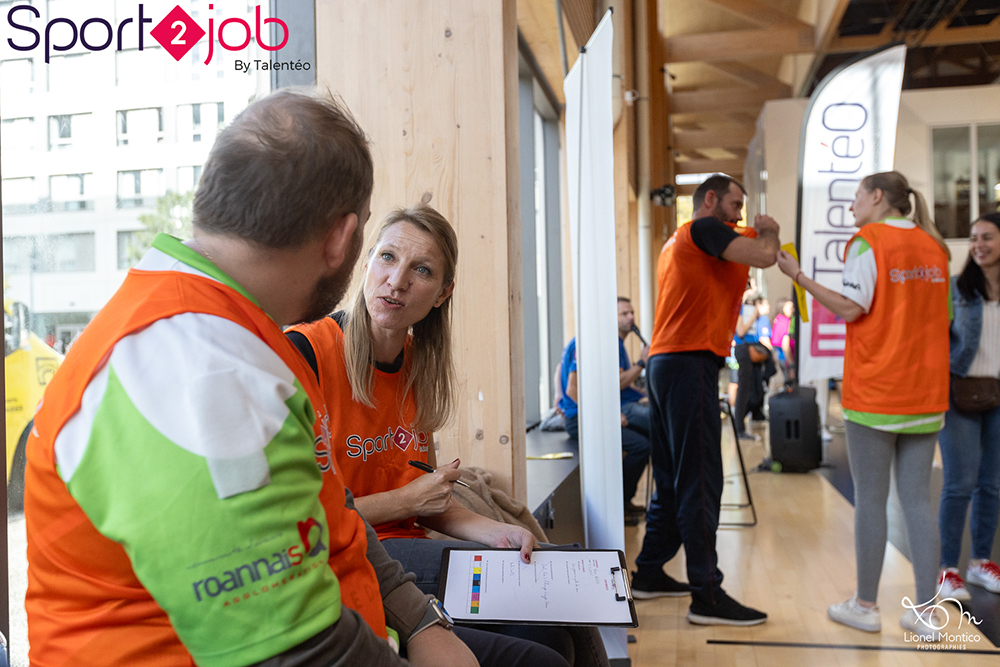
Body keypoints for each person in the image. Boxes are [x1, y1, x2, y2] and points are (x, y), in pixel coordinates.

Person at [24, 89, 479, 667]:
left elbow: (333, 509)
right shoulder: (207, 368)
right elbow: (297, 653)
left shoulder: (233, 332)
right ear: (343, 239)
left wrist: (423, 621)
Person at [287, 205, 608, 667]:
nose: (397, 281)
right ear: (366, 262)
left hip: (408, 546)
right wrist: (408, 502)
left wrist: (496, 531)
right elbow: (312, 519)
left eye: (421, 270)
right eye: (387, 258)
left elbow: (428, 498)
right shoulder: (307, 352)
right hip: (356, 557)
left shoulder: (419, 364)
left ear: (443, 293)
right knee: (547, 641)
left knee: (554, 614)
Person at [776, 171, 951, 641]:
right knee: (918, 503)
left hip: (878, 392)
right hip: (927, 393)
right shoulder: (935, 248)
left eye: (856, 196)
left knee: (871, 501)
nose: (851, 205)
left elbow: (852, 308)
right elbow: (943, 319)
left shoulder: (866, 243)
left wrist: (799, 277)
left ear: (876, 197)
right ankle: (927, 612)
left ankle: (865, 605)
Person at [631, 174, 778, 625]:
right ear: (709, 199)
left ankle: (650, 573)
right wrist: (768, 227)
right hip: (685, 362)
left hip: (666, 362)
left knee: (675, 480)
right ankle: (707, 596)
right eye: (734, 204)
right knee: (700, 480)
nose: (738, 214)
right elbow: (766, 254)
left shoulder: (680, 240)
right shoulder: (703, 228)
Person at [937, 212, 1000, 601]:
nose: (978, 244)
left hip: (999, 396)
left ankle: (980, 563)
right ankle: (947, 570)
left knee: (991, 484)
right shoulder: (957, 289)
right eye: (974, 238)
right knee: (959, 484)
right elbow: (937, 338)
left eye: (988, 237)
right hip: (958, 393)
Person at [559, 334, 652, 525]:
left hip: (586, 416)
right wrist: (607, 415)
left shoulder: (584, 341)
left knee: (643, 440)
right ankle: (620, 505)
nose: (630, 318)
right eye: (624, 313)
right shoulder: (583, 342)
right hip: (580, 420)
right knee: (640, 446)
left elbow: (560, 372)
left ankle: (625, 502)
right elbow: (572, 389)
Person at [771, 297, 795, 382]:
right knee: (789, 384)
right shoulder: (784, 322)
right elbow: (785, 346)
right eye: (790, 308)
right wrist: (792, 363)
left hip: (781, 357)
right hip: (786, 359)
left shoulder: (777, 319)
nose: (792, 310)